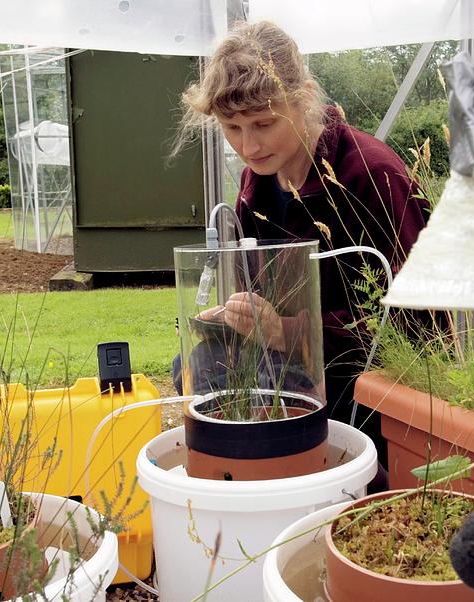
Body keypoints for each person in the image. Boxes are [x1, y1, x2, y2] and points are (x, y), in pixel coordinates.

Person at [175, 21, 439, 470]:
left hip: (370, 386)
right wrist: (236, 318)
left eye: (263, 123)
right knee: (197, 364)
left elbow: (423, 324)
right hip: (290, 369)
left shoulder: (372, 175)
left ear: (304, 98)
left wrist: (290, 331)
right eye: (232, 127)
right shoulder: (254, 184)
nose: (249, 145)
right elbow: (262, 303)